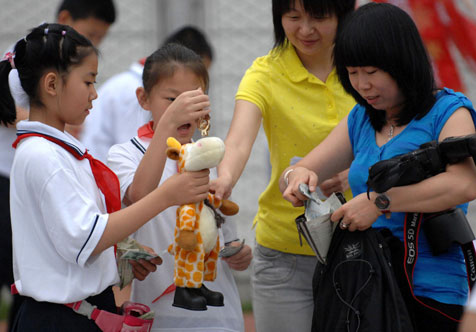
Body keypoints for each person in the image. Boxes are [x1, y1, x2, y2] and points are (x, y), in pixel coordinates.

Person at [0, 23, 210, 331]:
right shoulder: (42, 155)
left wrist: (119, 255)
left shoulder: (58, 151)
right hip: (60, 320)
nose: (94, 94)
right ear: (52, 84)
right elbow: (89, 238)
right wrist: (168, 195)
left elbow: (72, 241)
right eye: (88, 81)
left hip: (77, 313)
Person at [280, 3, 476, 331]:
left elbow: (465, 184)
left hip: (432, 293)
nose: (362, 85)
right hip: (369, 284)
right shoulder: (361, 118)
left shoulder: (448, 112)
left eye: (371, 72)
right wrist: (297, 177)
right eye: (352, 73)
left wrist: (379, 202)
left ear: (402, 63)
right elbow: (304, 166)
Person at [210, 0, 356, 330]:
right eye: (293, 17)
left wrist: (357, 173)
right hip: (284, 252)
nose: (305, 29)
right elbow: (238, 140)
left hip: (359, 245)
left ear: (344, 13)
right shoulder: (266, 72)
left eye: (319, 17)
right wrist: (226, 178)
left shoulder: (363, 68)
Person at [0, 1, 116, 331]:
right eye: (90, 33)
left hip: (21, 183)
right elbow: (10, 111)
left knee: (31, 282)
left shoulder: (52, 151)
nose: (93, 42)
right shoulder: (33, 51)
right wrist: (56, 126)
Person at [107, 43, 252, 331]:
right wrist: (167, 126)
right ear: (144, 99)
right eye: (173, 100)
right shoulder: (124, 154)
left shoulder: (210, 155)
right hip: (158, 315)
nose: (184, 112)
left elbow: (222, 233)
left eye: (194, 101)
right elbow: (139, 196)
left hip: (218, 317)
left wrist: (238, 253)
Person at [81, 25, 214, 162]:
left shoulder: (197, 152)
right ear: (143, 98)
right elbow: (137, 160)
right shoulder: (129, 91)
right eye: (173, 99)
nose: (185, 106)